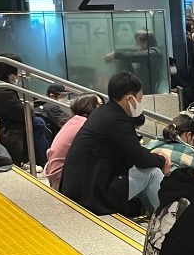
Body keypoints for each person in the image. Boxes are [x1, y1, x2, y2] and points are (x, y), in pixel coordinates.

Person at [62, 72, 169, 214]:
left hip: (80, 188)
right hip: (90, 195)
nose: (140, 104)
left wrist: (153, 156)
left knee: (147, 171)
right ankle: (168, 223)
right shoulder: (117, 121)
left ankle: (155, 216)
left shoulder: (104, 113)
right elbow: (141, 159)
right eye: (140, 99)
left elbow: (134, 152)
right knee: (152, 174)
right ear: (129, 99)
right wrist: (162, 160)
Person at [0, 53, 50, 167]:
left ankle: (41, 160)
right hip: (7, 125)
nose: (18, 76)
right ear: (11, 74)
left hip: (7, 120)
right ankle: (44, 162)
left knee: (38, 121)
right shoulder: (2, 90)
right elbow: (23, 113)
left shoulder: (2, 87)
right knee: (38, 123)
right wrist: (29, 109)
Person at [44, 94, 101, 190]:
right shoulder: (85, 124)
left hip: (55, 174)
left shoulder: (75, 121)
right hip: (63, 179)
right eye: (99, 105)